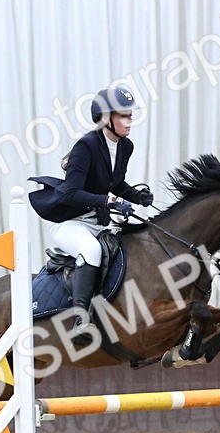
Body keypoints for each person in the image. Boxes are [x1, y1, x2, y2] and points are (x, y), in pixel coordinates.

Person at [29, 85, 155, 336]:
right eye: (124, 115)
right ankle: (80, 319)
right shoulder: (85, 146)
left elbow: (115, 183)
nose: (130, 121)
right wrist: (108, 202)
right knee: (91, 250)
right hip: (70, 223)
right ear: (106, 119)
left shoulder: (125, 147)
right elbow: (71, 193)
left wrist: (135, 195)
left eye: (130, 115)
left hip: (98, 222)